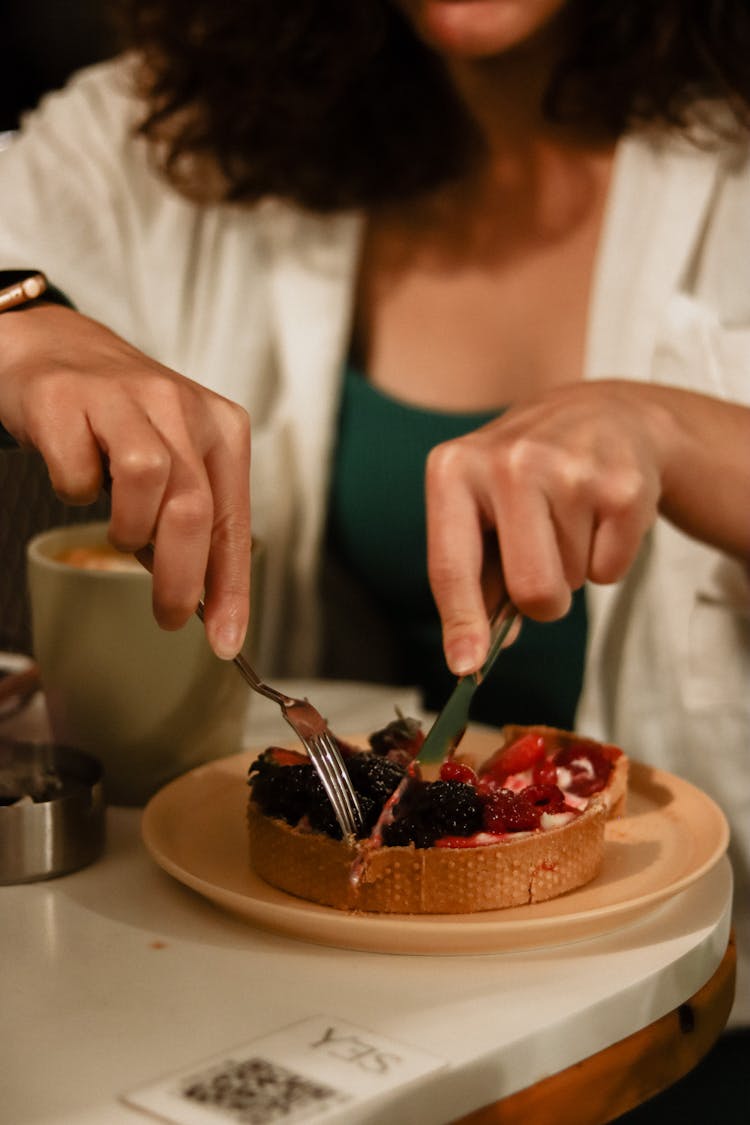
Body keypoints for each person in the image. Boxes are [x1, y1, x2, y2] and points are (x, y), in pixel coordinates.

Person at [0, 0, 748, 1091]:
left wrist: (683, 435)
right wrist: (26, 322)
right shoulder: (187, 123)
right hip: (301, 1013)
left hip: (691, 1031)